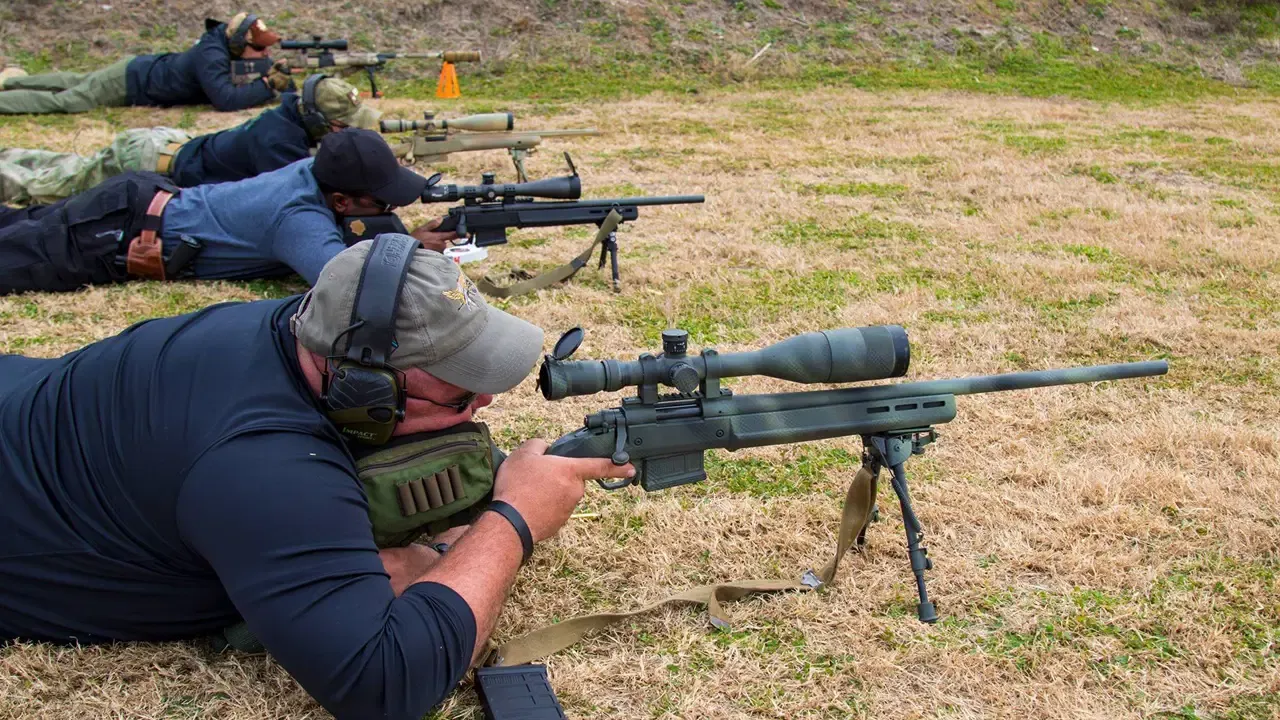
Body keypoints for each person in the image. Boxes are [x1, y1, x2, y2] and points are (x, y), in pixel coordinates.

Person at [0, 236, 634, 719]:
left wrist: (438, 551)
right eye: (460, 397)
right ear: (364, 387)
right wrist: (513, 520)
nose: (483, 406)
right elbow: (383, 684)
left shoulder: (313, 330)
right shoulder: (262, 466)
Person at [0, 127, 456, 294]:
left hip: (134, 203)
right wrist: (410, 245)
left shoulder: (310, 171)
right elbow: (343, 282)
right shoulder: (296, 217)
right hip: (115, 234)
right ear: (340, 201)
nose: (392, 204)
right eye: (383, 200)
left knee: (19, 224)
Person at [0, 75, 381, 205]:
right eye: (340, 125)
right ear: (316, 118)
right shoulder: (278, 143)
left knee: (70, 168)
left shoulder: (286, 120)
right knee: (43, 188)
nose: (343, 132)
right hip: (149, 162)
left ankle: (9, 154)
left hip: (164, 146)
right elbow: (296, 197)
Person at [0, 12, 287, 115]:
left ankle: (9, 81)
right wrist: (266, 85)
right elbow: (224, 99)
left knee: (75, 81)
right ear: (239, 43)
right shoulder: (212, 57)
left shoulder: (221, 45)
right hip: (130, 82)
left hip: (135, 70)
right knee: (70, 100)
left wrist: (281, 79)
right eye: (260, 48)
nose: (265, 54)